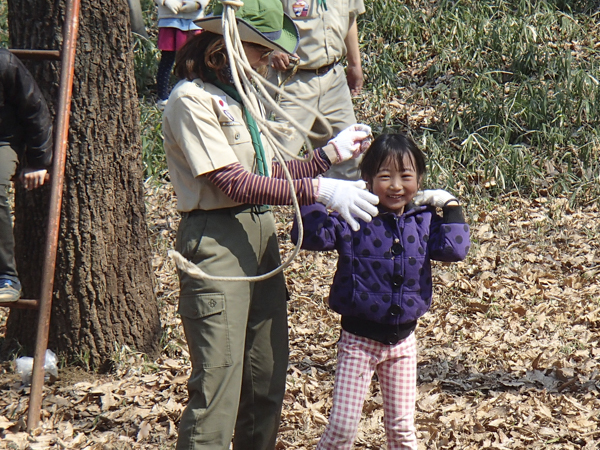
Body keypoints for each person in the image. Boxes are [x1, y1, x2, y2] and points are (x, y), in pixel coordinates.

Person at [161, 0, 379, 448]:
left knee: (265, 377)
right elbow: (233, 182)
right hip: (216, 240)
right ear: (228, 47)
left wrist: (326, 158)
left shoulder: (240, 100)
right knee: (217, 388)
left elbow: (267, 174)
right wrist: (318, 191)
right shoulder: (191, 100)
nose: (265, 62)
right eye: (259, 51)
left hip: (259, 238)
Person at [291, 133, 471, 449]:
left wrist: (451, 206)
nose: (396, 185)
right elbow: (310, 236)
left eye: (406, 176)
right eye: (385, 176)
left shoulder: (424, 219)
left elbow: (454, 249)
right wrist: (316, 193)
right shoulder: (356, 215)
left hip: (403, 343)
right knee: (342, 430)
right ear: (368, 179)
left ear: (420, 180)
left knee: (402, 431)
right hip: (358, 342)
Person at [270, 0, 365, 181]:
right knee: (279, 160)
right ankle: (262, 206)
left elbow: (351, 18)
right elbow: (255, 22)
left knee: (350, 156)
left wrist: (354, 64)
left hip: (334, 79)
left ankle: (341, 208)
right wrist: (271, 49)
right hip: (292, 81)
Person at [0, 49, 53, 303]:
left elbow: (35, 111)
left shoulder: (4, 63)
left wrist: (37, 161)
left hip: (4, 141)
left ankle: (6, 276)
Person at [154, 0, 208, 110]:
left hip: (194, 19)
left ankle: (193, 94)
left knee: (193, 59)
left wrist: (198, 4)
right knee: (167, 59)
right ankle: (163, 98)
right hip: (169, 18)